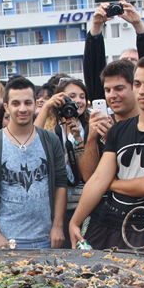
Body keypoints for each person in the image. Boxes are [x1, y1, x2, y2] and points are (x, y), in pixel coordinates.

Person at [68, 55, 144, 251]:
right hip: (103, 226)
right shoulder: (119, 129)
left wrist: (108, 184)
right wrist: (75, 222)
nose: (142, 91)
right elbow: (97, 178)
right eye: (137, 84)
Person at [0, 76, 67, 249]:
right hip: (7, 241)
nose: (22, 109)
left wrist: (58, 226)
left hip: (46, 239)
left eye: (27, 103)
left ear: (35, 104)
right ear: (7, 107)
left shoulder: (50, 141)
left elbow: (61, 184)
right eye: (16, 103)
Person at [35, 78, 90, 247]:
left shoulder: (89, 126)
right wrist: (46, 107)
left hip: (82, 205)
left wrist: (79, 140)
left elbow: (89, 171)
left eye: (82, 96)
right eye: (72, 96)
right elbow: (32, 140)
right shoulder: (51, 126)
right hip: (52, 204)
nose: (78, 101)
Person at [82, 0, 144, 103]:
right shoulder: (107, 101)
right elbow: (93, 67)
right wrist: (97, 25)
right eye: (124, 59)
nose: (113, 95)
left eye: (133, 60)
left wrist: (137, 23)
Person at [79, 60, 139, 182]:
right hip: (104, 199)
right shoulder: (97, 125)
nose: (112, 95)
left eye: (119, 88)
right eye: (107, 90)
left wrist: (111, 139)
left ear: (136, 87)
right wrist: (91, 138)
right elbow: (88, 177)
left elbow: (136, 175)